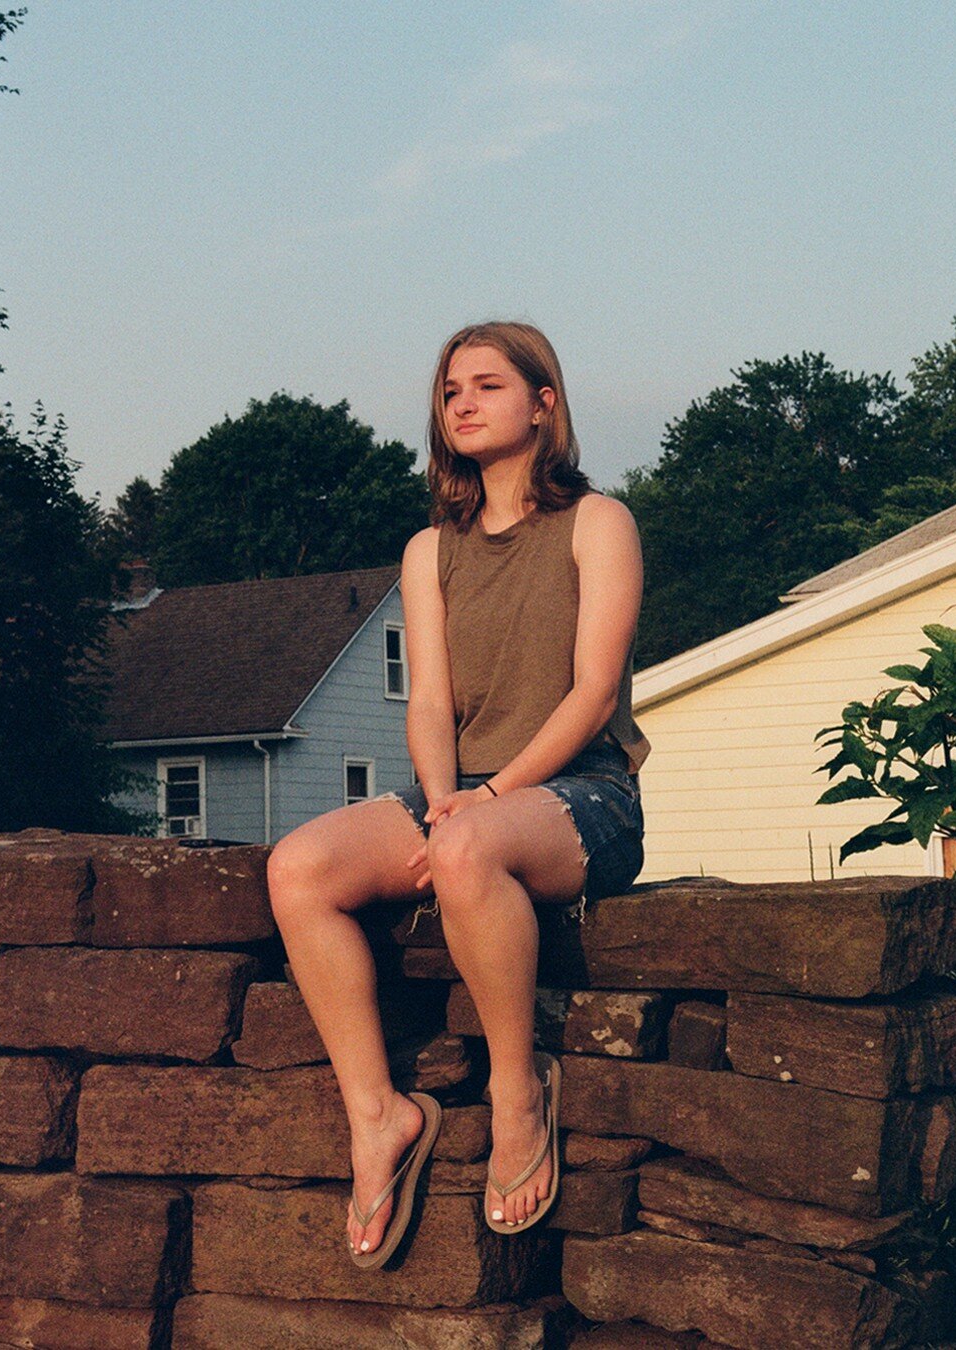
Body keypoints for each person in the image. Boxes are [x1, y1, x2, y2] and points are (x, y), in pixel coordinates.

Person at [266, 320, 646, 1268]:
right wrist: (444, 797)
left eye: (487, 386)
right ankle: (381, 1117)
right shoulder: (429, 550)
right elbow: (429, 699)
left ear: (544, 403)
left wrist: (486, 803)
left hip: (581, 795)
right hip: (464, 793)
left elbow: (593, 691)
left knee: (469, 849)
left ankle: (519, 1094)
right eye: (450, 393)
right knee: (299, 866)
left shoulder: (600, 523)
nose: (464, 403)